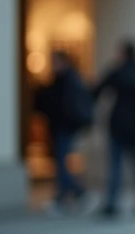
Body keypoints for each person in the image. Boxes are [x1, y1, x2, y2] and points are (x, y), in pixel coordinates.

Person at [93, 40, 135, 218]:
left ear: (124, 54)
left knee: (116, 166)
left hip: (118, 126)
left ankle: (112, 202)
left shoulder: (118, 72)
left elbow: (98, 89)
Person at [33, 50, 93, 214]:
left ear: (64, 62)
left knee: (61, 164)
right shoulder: (62, 79)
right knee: (61, 164)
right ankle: (75, 194)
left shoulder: (69, 80)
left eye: (56, 62)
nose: (53, 65)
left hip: (64, 127)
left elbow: (65, 106)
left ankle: (69, 195)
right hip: (60, 127)